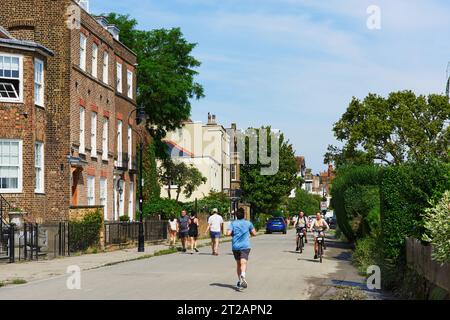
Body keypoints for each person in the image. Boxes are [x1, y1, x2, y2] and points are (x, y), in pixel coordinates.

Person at [226, 207, 257, 290]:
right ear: (244, 215)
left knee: (238, 264)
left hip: (235, 246)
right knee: (243, 262)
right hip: (245, 246)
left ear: (236, 215)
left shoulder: (233, 223)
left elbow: (228, 233)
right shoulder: (248, 223)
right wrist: (249, 232)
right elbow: (254, 233)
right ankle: (243, 274)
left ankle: (240, 280)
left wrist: (233, 233)